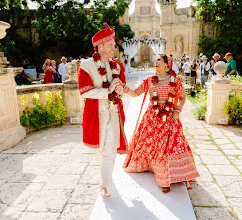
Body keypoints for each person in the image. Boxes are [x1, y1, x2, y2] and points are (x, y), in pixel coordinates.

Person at [122, 54, 199, 194]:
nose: (155, 62)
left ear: (167, 65)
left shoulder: (175, 80)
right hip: (152, 117)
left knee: (166, 147)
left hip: (170, 117)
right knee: (151, 144)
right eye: (155, 60)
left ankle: (165, 178)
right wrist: (125, 88)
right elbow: (135, 93)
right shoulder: (150, 80)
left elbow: (182, 97)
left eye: (159, 60)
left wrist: (178, 110)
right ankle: (153, 167)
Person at [78, 23, 128, 198]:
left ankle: (104, 184)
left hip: (114, 113)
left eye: (114, 45)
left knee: (110, 148)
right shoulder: (87, 65)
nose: (113, 48)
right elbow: (84, 90)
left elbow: (122, 86)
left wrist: (120, 90)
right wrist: (107, 91)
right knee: (99, 148)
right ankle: (104, 175)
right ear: (99, 45)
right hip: (96, 113)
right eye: (110, 45)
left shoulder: (118, 66)